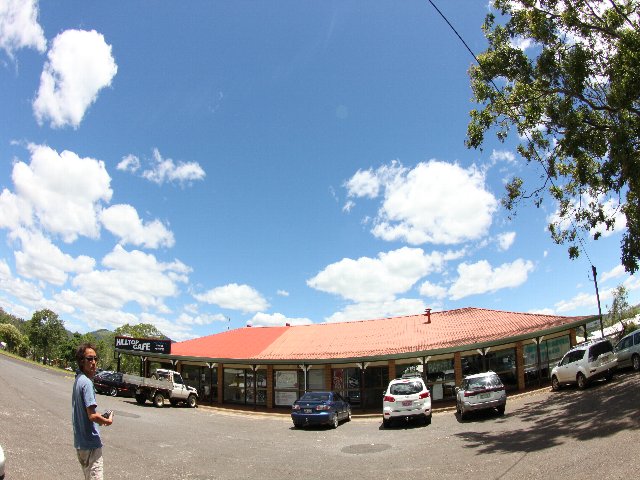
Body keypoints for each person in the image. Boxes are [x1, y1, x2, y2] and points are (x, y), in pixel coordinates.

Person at [72, 343, 113, 479]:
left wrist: (100, 418)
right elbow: (92, 416)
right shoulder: (87, 383)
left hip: (81, 444)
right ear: (81, 361)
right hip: (90, 445)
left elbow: (87, 413)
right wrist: (107, 420)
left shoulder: (79, 379)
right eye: (89, 359)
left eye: (95, 358)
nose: (94, 362)